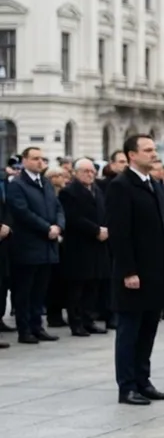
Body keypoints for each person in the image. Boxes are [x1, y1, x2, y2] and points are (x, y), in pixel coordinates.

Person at [107, 135, 164, 405]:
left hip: (155, 271)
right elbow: (120, 233)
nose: (153, 154)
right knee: (129, 331)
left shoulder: (154, 184)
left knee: (148, 329)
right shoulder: (121, 186)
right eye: (147, 150)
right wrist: (128, 271)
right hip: (134, 273)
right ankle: (127, 386)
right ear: (132, 155)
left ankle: (143, 380)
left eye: (154, 149)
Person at [6, 147, 63, 344]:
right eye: (35, 158)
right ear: (25, 161)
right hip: (28, 246)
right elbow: (22, 212)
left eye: (42, 158)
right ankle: (25, 330)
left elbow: (57, 207)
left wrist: (58, 226)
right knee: (24, 292)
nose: (40, 162)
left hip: (47, 247)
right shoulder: (18, 184)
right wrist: (47, 228)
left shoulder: (45, 183)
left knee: (40, 291)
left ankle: (38, 326)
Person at [57, 158, 108, 337]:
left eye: (92, 171)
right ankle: (76, 322)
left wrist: (105, 229)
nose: (90, 174)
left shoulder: (97, 191)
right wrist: (95, 230)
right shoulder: (69, 193)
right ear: (76, 173)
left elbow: (104, 212)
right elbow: (73, 217)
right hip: (79, 245)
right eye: (85, 171)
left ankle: (89, 319)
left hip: (97, 245)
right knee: (77, 287)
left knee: (93, 285)